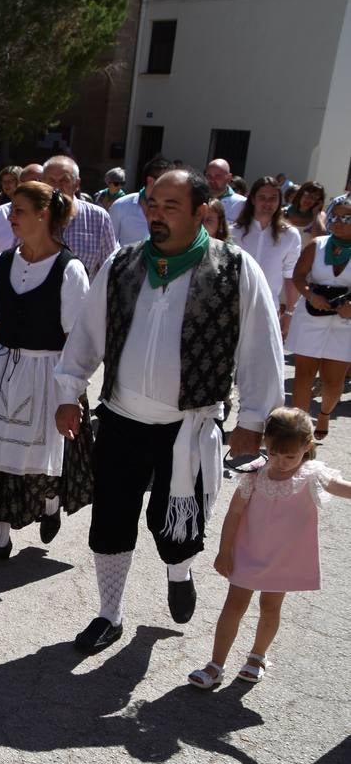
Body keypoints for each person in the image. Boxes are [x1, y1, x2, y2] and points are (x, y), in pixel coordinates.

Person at [54, 169, 284, 654]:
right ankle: (109, 614)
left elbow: (261, 349)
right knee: (111, 518)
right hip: (119, 417)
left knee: (175, 520)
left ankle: (178, 572)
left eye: (170, 206)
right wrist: (67, 391)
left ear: (202, 211)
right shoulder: (122, 263)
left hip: (190, 425)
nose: (156, 215)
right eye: (151, 205)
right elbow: (87, 336)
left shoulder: (235, 270)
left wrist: (253, 421)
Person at [0, 181, 93, 569]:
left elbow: (77, 339)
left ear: (43, 213)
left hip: (48, 371)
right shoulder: (4, 261)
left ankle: (50, 503)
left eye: (18, 210)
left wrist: (70, 391)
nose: (10, 216)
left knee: (42, 454)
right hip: (4, 366)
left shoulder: (69, 269)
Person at [188, 407, 349, 688]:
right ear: (266, 445)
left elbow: (340, 486)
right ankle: (216, 665)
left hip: (284, 557)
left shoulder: (312, 474)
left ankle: (257, 657)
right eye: (274, 453)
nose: (281, 462)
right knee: (234, 604)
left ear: (307, 447)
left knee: (270, 606)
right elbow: (234, 514)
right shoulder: (254, 474)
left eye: (290, 456)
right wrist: (224, 551)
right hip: (249, 552)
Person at [287, 197, 351, 440]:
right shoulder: (317, 244)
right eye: (335, 216)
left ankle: (324, 413)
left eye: (347, 218)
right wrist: (310, 295)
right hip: (312, 315)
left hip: (345, 322)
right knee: (304, 374)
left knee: (333, 383)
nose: (339, 222)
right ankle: (299, 430)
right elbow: (299, 276)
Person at [230, 176, 303, 334]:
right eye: (262, 198)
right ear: (253, 200)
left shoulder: (290, 235)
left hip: (268, 309)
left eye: (273, 198)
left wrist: (289, 313)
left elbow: (290, 276)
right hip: (233, 307)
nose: (268, 203)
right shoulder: (233, 232)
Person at [42, 155, 120, 279]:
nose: (57, 187)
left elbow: (110, 267)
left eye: (64, 180)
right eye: (51, 180)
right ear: (42, 183)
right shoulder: (31, 215)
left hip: (82, 296)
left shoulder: (98, 218)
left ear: (77, 184)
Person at [111, 155, 173, 246]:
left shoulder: (174, 210)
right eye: (168, 182)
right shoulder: (120, 206)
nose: (172, 188)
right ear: (151, 181)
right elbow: (109, 246)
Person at [285, 181, 327, 247]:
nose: (309, 199)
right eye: (307, 194)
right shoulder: (284, 212)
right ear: (300, 194)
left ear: (319, 201)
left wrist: (316, 214)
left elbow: (320, 238)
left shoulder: (320, 215)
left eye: (315, 197)